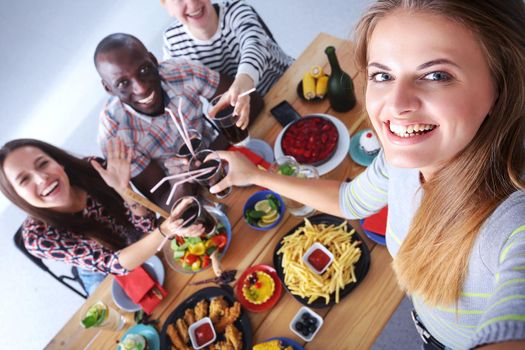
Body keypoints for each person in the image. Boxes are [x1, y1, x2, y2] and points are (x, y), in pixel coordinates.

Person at [209, 0, 525, 349]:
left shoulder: (513, 221)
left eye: (437, 75)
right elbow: (350, 200)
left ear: (502, 85)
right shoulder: (402, 162)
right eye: (383, 75)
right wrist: (257, 175)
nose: (396, 103)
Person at [0, 138, 203, 294]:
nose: (41, 177)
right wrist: (166, 229)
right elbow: (115, 264)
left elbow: (146, 225)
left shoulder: (93, 169)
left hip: (142, 240)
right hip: (104, 275)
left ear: (59, 163)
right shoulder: (38, 238)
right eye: (24, 179)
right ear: (19, 197)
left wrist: (123, 189)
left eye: (43, 164)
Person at [94, 33, 260, 209]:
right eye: (122, 83)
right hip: (197, 201)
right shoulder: (115, 134)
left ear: (153, 60)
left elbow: (252, 101)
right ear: (108, 88)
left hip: (230, 159)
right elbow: (164, 203)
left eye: (144, 70)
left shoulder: (181, 71)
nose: (141, 88)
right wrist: (183, 182)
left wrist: (210, 158)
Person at [160, 0, 292, 112]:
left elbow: (254, 45)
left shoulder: (236, 10)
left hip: (285, 84)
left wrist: (242, 83)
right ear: (167, 7)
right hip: (249, 112)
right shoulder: (172, 42)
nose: (192, 3)